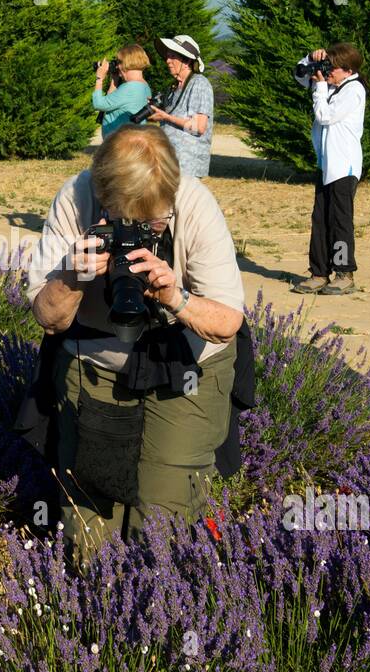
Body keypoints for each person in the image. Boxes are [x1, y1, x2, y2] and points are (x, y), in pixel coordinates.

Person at [22, 123, 248, 568]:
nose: (141, 232)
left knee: (164, 523)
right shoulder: (75, 198)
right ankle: (94, 612)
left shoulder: (196, 203)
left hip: (183, 363)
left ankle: (160, 613)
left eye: (153, 223)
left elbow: (227, 322)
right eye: (126, 222)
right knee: (89, 522)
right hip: (95, 359)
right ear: (102, 198)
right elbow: (48, 318)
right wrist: (72, 277)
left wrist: (175, 297)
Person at [292, 43, 367, 295]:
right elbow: (299, 74)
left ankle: (345, 273)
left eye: (331, 68)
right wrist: (310, 58)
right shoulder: (331, 85)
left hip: (344, 168)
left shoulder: (354, 90)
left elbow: (325, 115)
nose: (327, 72)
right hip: (326, 165)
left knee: (340, 222)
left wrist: (321, 86)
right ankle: (319, 272)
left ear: (347, 69)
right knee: (320, 220)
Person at [146, 35, 215, 178]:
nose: (167, 60)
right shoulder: (174, 87)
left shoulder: (199, 84)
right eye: (167, 56)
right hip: (170, 162)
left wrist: (166, 117)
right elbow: (172, 119)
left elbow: (199, 127)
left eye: (172, 56)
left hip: (187, 166)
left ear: (187, 60)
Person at [92, 44, 152, 139]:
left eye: (118, 62)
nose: (117, 66)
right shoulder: (144, 86)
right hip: (132, 140)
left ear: (125, 63)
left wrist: (99, 78)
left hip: (119, 144)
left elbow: (98, 104)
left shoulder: (129, 88)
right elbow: (110, 102)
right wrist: (114, 80)